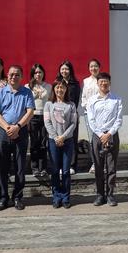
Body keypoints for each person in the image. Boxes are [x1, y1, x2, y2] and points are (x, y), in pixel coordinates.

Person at [0, 65, 35, 211]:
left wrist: (18, 126)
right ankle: (3, 198)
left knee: (20, 167)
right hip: (4, 132)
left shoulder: (27, 92)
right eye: (11, 74)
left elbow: (30, 112)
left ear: (21, 77)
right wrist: (8, 128)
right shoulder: (1, 92)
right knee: (3, 167)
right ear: (7, 76)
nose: (13, 77)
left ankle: (17, 197)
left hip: (21, 132)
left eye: (17, 74)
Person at [87, 72, 123, 207]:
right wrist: (101, 134)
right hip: (97, 136)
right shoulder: (92, 100)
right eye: (101, 81)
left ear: (109, 82)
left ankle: (110, 195)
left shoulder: (117, 99)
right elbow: (91, 120)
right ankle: (100, 195)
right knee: (98, 166)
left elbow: (119, 119)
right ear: (97, 83)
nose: (103, 83)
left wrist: (109, 134)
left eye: (106, 81)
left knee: (111, 167)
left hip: (112, 135)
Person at [44, 79, 77, 209]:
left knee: (66, 171)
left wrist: (63, 137)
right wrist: (55, 137)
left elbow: (73, 123)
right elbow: (47, 123)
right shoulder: (48, 104)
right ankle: (56, 197)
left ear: (66, 89)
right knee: (54, 170)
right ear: (54, 89)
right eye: (57, 87)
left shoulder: (71, 105)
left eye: (62, 87)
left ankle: (66, 197)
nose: (60, 89)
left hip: (67, 141)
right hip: (53, 141)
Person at [25, 64, 52, 177]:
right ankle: (34, 168)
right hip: (33, 116)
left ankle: (43, 168)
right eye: (36, 72)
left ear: (43, 73)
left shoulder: (48, 86)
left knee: (43, 142)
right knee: (34, 142)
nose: (38, 74)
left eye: (40, 72)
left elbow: (50, 101)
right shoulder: (28, 87)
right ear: (33, 74)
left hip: (45, 116)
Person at [56, 60, 81, 174]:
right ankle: (61, 165)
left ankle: (72, 165)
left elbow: (75, 101)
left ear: (70, 70)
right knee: (60, 139)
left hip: (71, 115)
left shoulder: (75, 84)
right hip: (58, 115)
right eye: (62, 69)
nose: (64, 71)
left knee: (72, 140)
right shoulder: (57, 83)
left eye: (66, 69)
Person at [81, 59, 101, 174]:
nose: (93, 68)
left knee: (101, 138)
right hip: (89, 114)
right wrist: (87, 106)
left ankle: (102, 162)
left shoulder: (102, 79)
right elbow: (83, 97)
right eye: (91, 66)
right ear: (89, 68)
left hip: (101, 114)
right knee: (92, 139)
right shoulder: (85, 81)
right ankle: (94, 163)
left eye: (95, 66)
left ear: (99, 67)